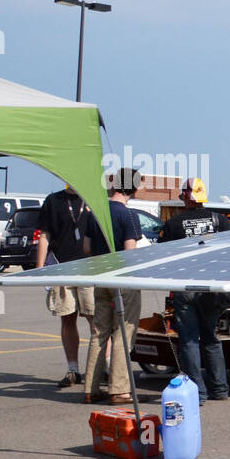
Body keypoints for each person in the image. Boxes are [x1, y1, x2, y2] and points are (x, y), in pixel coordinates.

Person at [160, 178, 230, 403]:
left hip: (185, 287)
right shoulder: (219, 220)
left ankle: (197, 393)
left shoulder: (174, 224)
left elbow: (163, 256)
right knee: (210, 337)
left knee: (190, 340)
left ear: (185, 196)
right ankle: (219, 390)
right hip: (211, 286)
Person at [83, 168, 144, 404]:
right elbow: (130, 253)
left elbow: (87, 250)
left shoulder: (94, 213)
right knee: (123, 332)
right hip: (123, 279)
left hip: (100, 278)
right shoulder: (128, 216)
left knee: (99, 332)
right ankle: (119, 389)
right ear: (134, 189)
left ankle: (91, 388)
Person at [34, 185, 94, 388]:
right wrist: (40, 269)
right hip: (62, 267)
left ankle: (101, 368)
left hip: (92, 268)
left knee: (98, 322)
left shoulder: (93, 197)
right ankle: (73, 369)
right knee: (67, 319)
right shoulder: (53, 200)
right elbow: (44, 236)